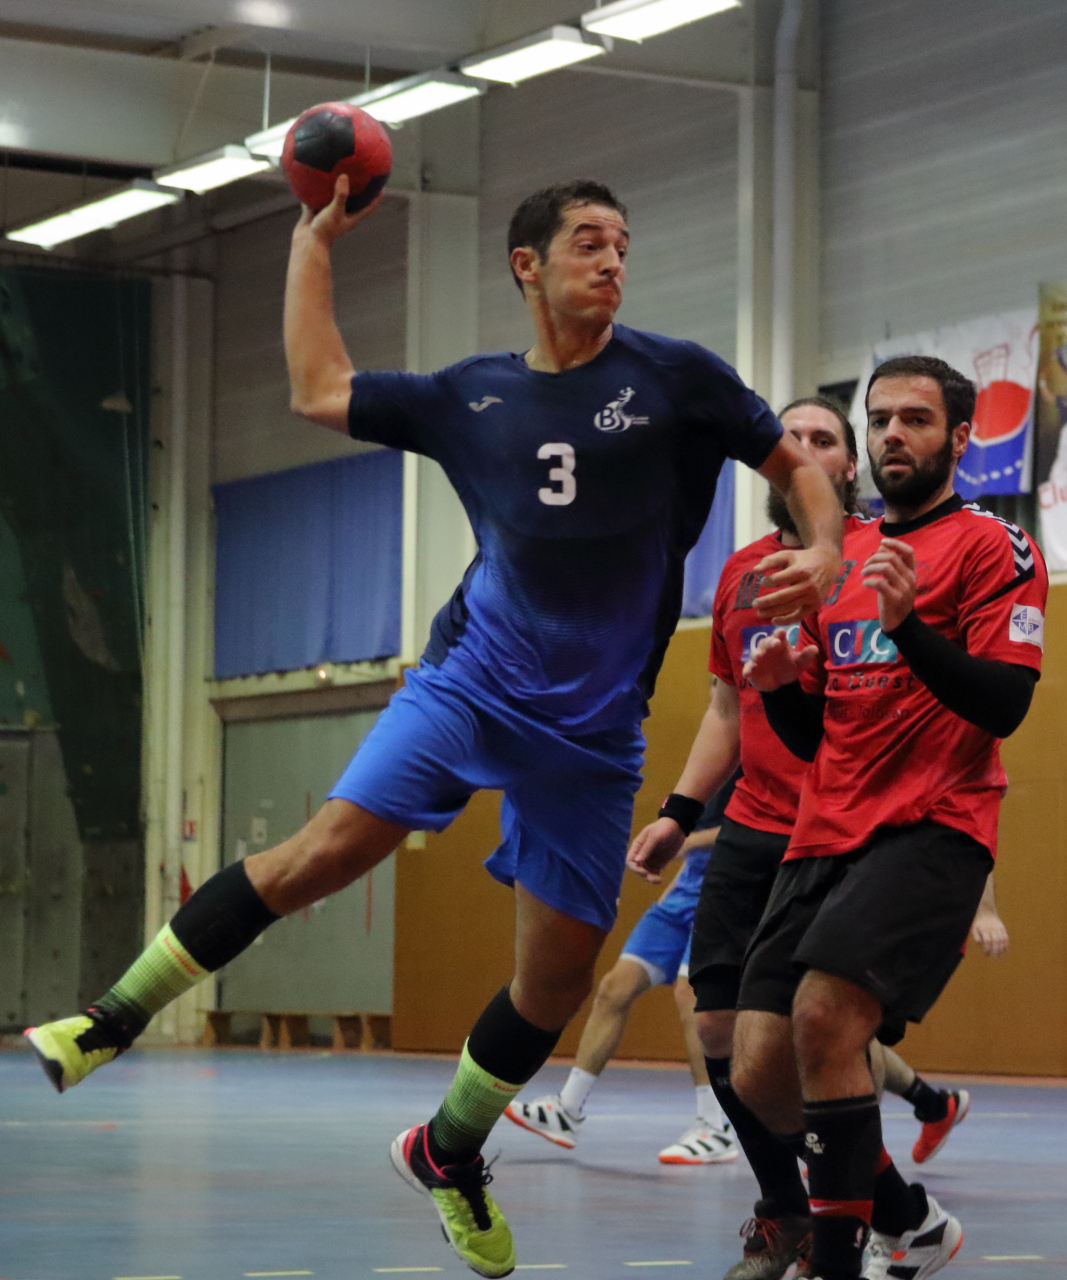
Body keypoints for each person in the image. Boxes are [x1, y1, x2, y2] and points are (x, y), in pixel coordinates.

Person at [25, 179, 842, 1279]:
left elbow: (793, 465)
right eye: (587, 243)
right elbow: (318, 388)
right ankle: (108, 1021)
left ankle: (447, 1151)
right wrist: (311, 239)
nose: (612, 260)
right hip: (469, 684)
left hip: (593, 732)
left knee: (555, 984)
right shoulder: (472, 396)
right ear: (526, 264)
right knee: (321, 852)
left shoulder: (676, 377)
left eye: (622, 243)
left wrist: (825, 548)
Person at [627, 396, 1009, 1279]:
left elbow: (953, 729)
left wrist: (980, 888)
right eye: (785, 438)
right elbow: (730, 707)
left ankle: (823, 1225)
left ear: (845, 468)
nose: (797, 450)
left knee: (820, 1026)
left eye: (820, 439)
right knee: (723, 1033)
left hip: (851, 829)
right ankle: (852, 1211)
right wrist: (680, 812)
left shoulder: (878, 560)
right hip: (756, 826)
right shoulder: (740, 575)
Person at [733, 356, 1047, 1280]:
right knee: (757, 1071)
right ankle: (907, 1221)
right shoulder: (840, 552)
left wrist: (908, 627)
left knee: (825, 1018)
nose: (890, 436)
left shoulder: (994, 546)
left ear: (960, 437)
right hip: (823, 831)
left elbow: (1004, 704)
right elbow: (812, 733)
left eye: (914, 419)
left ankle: (834, 1264)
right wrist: (781, 688)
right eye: (878, 420)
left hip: (932, 827)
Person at [505, 781, 741, 1165]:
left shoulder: (765, 757)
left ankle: (716, 1128)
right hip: (685, 892)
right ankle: (567, 1110)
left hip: (729, 891)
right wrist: (679, 878)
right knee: (615, 988)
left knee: (691, 995)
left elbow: (756, 826)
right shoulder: (716, 767)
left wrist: (682, 842)